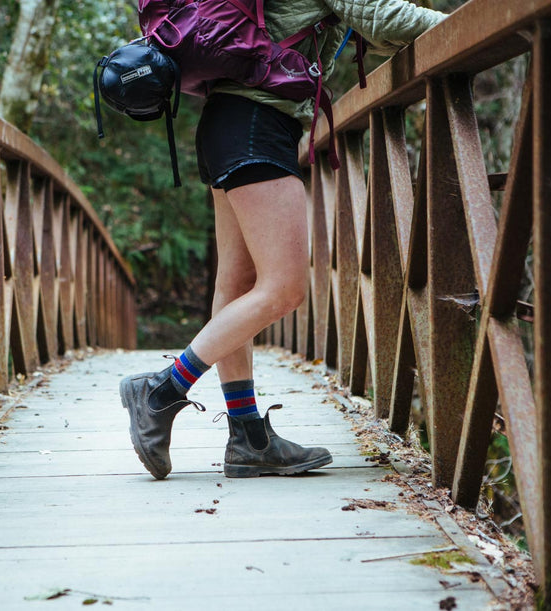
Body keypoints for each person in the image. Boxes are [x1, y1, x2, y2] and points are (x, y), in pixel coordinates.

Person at [120, 0, 446, 479]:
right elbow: (380, 16)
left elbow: (364, 29)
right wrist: (473, 20)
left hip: (226, 122)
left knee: (235, 286)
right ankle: (160, 391)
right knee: (285, 288)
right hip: (258, 125)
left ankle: (249, 437)